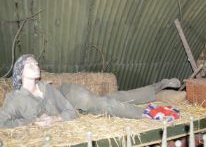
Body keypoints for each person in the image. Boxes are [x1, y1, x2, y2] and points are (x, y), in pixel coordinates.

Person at [0, 54, 181, 128]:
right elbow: (2, 122)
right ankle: (157, 90)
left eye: (36, 63)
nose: (36, 65)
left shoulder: (46, 88)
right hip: (73, 111)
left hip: (69, 95)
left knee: (104, 103)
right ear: (19, 71)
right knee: (116, 98)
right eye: (30, 64)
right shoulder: (14, 99)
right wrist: (31, 122)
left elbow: (69, 111)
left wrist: (55, 118)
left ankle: (148, 112)